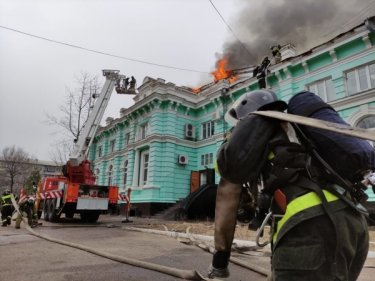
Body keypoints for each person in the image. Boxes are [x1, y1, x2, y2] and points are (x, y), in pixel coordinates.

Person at [208, 89, 369, 281]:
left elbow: (228, 192)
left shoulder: (251, 139)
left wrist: (220, 263)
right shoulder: (302, 129)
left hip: (309, 225)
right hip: (353, 221)